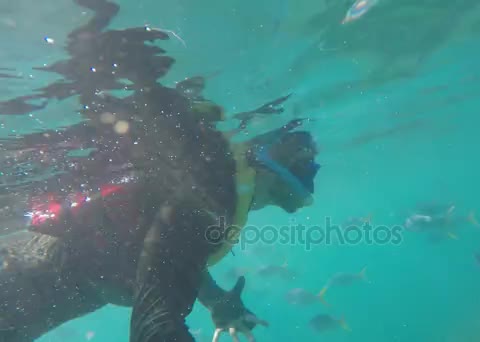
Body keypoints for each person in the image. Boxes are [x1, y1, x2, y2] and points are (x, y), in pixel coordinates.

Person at [0, 0, 321, 341]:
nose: (310, 162)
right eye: (296, 153)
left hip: (34, 284)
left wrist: (215, 302)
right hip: (24, 280)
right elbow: (154, 322)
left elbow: (169, 252)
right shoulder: (207, 200)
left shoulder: (206, 197)